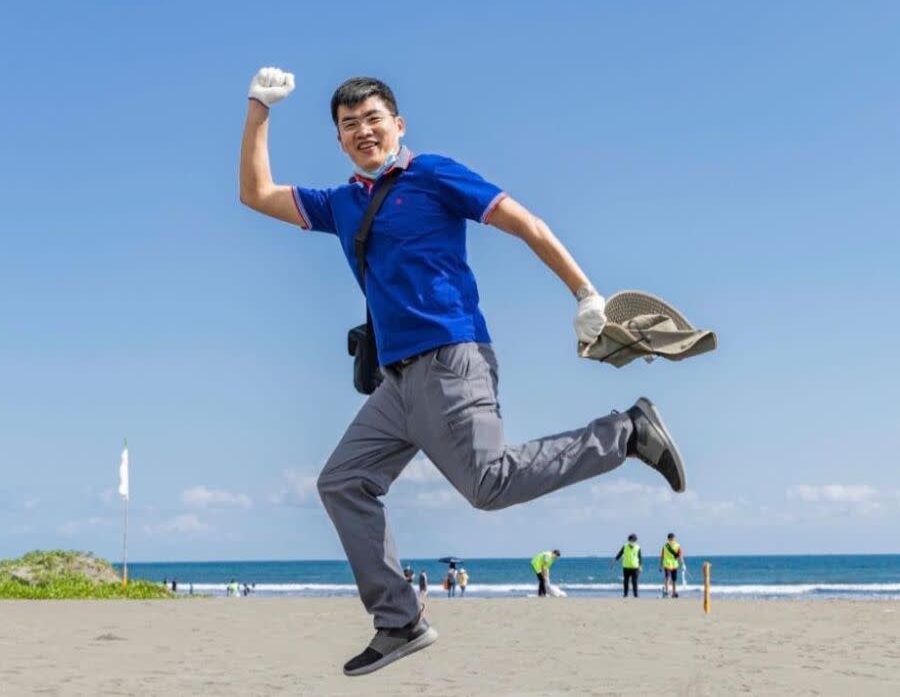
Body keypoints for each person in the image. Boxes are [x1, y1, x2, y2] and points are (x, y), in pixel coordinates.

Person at [239, 67, 687, 677]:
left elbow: (524, 221)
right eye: (349, 125)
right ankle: (398, 620)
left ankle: (627, 433)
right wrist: (259, 108)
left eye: (374, 119)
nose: (363, 131)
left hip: (453, 358)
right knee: (343, 482)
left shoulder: (433, 174)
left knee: (489, 485)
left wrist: (586, 295)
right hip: (396, 382)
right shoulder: (342, 203)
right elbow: (256, 193)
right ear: (340, 140)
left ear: (398, 124)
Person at [660, 533, 683, 598]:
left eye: (673, 538)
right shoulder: (665, 546)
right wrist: (660, 565)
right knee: (667, 578)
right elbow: (662, 556)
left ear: (674, 538)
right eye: (671, 538)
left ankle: (674, 593)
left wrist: (683, 564)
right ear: (668, 539)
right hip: (667, 564)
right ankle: (666, 592)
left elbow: (680, 556)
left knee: (674, 579)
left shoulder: (677, 546)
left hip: (674, 565)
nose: (672, 539)